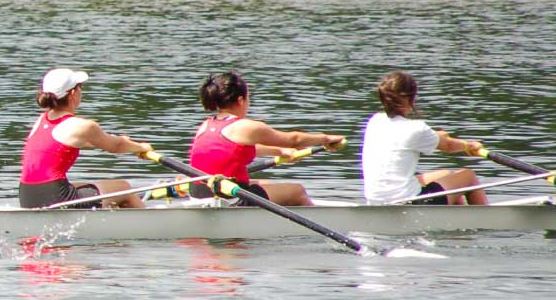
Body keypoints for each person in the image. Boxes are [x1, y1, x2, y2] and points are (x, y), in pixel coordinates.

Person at [188, 71, 345, 206]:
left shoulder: (206, 125)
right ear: (241, 100)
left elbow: (232, 150)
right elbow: (294, 139)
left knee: (264, 184)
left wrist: (279, 151)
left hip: (197, 195)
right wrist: (325, 139)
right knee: (297, 191)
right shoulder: (246, 126)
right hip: (229, 198)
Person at [19, 68, 153, 209]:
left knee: (92, 188)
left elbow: (78, 142)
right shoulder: (83, 126)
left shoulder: (41, 119)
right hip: (56, 196)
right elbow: (116, 147)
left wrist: (116, 140)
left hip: (27, 196)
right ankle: (150, 225)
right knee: (124, 188)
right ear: (72, 93)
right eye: (80, 87)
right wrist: (142, 147)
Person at [360, 71, 485, 205]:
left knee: (446, 174)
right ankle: (485, 221)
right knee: (468, 176)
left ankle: (454, 219)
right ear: (410, 98)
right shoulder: (417, 128)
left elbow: (430, 138)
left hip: (375, 202)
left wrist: (438, 136)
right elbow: (449, 146)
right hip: (408, 203)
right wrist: (469, 145)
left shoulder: (374, 121)